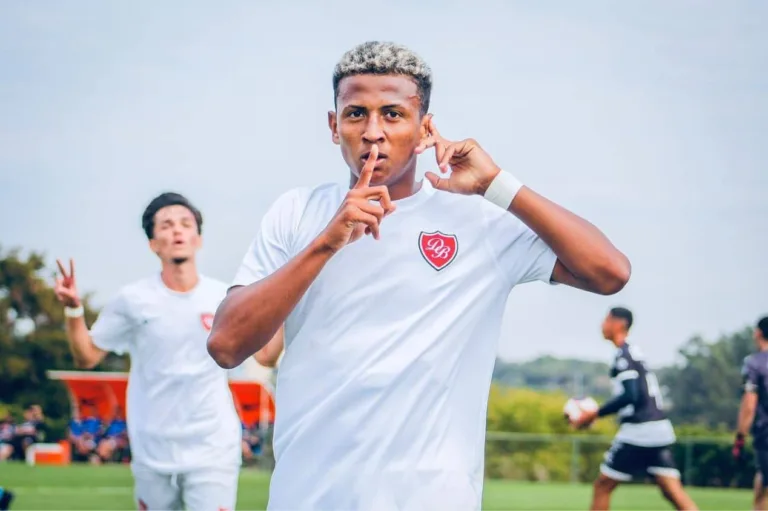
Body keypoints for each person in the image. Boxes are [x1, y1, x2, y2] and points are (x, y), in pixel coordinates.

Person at [207, 41, 631, 510]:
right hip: (308, 498)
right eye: (355, 114)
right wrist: (327, 242)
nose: (373, 132)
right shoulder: (297, 212)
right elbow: (227, 345)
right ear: (333, 126)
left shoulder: (477, 219)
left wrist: (497, 184)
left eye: (392, 114)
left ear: (424, 127)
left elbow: (609, 272)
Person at [54, 192, 247, 510]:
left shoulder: (223, 297)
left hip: (213, 449)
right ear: (153, 243)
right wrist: (74, 309)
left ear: (198, 239)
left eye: (185, 224)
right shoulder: (132, 299)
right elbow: (86, 356)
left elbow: (261, 353)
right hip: (152, 451)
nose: (177, 230)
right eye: (166, 225)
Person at [570, 307, 697, 510]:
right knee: (671, 490)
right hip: (659, 428)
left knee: (602, 486)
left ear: (620, 324)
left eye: (607, 320)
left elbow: (631, 395)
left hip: (639, 430)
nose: (602, 325)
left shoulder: (624, 355)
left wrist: (593, 414)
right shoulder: (633, 352)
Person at [733, 316, 768, 511]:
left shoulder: (755, 363)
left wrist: (740, 437)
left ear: (758, 333)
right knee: (762, 481)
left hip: (765, 434)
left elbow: (749, 404)